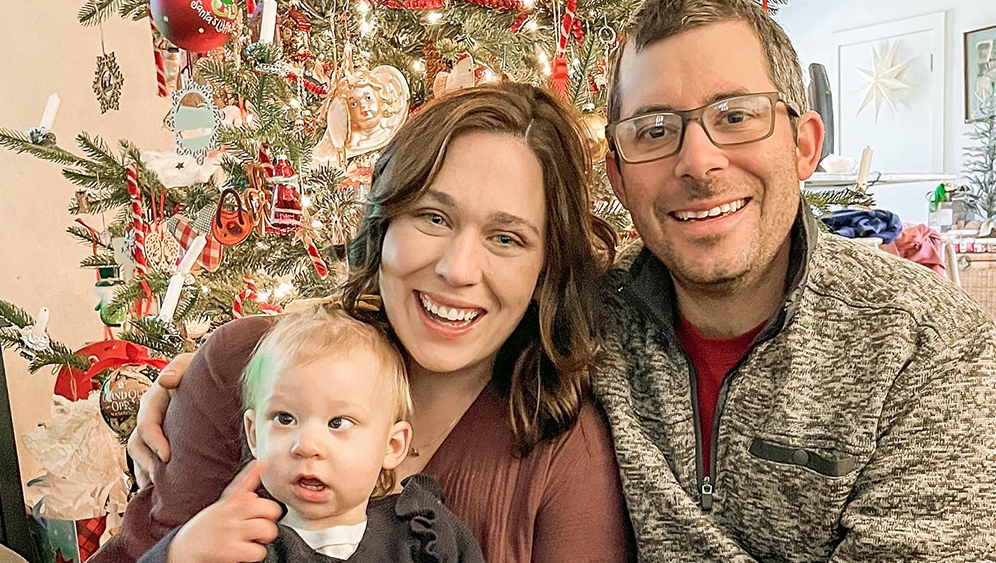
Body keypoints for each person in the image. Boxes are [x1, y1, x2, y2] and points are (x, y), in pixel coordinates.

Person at [94, 82, 634, 563]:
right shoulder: (243, 366)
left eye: (506, 238)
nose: (458, 269)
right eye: (433, 216)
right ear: (385, 223)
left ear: (546, 270)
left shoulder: (565, 451)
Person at [595, 0, 996, 561]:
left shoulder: (931, 347)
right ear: (617, 174)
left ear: (804, 145)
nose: (698, 162)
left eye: (735, 117)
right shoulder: (577, 317)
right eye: (654, 130)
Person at [137, 306, 484, 563]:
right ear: (253, 435)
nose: (307, 446)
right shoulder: (240, 545)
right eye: (284, 418)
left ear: (392, 446)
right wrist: (179, 553)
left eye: (338, 423)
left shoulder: (424, 535)